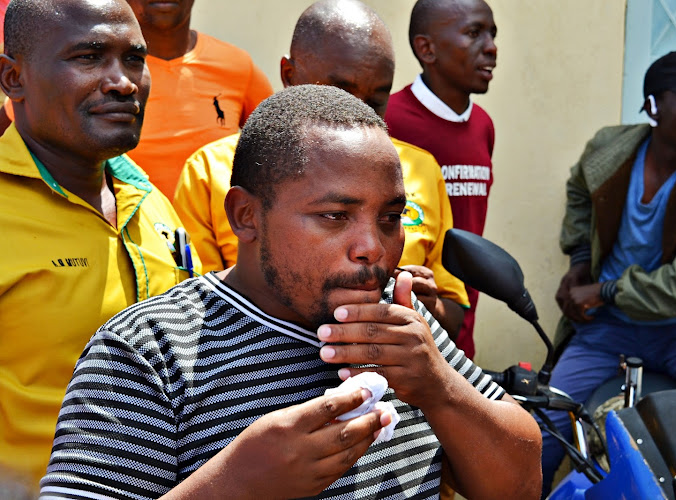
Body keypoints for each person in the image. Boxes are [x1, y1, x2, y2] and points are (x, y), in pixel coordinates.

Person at [40, 84, 542, 499]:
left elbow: (521, 486)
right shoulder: (150, 351)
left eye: (391, 219)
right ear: (246, 215)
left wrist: (440, 388)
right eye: (334, 217)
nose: (373, 248)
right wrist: (234, 483)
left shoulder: (403, 321)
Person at [173, 0, 469, 337]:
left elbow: (452, 312)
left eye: (375, 101)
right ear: (289, 75)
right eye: (332, 215)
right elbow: (198, 307)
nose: (354, 113)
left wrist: (419, 305)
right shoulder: (214, 168)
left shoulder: (419, 168)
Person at [0, 0, 201, 491]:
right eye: (88, 57)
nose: (123, 81)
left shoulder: (151, 204)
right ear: (13, 79)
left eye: (134, 59)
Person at [546, 50, 676, 495]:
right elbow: (580, 192)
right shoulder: (609, 148)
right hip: (606, 331)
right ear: (654, 105)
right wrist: (580, 262)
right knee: (544, 421)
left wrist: (603, 290)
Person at [384, 0, 497, 360]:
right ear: (426, 48)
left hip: (458, 317)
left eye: (493, 33)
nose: (492, 47)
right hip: (406, 318)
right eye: (474, 33)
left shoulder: (483, 125)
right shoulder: (392, 121)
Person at [122, 0, 273, 199]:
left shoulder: (237, 66)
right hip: (125, 226)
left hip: (213, 228)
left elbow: (279, 151)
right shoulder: (105, 72)